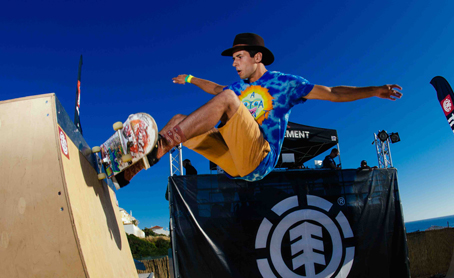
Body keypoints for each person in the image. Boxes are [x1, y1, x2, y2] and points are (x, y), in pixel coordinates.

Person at [117, 33, 401, 186]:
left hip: (259, 159)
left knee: (227, 99)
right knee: (179, 119)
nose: (234, 63)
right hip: (232, 161)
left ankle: (162, 143)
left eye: (239, 57)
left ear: (257, 57)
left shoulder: (285, 84)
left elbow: (332, 93)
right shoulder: (236, 88)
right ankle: (130, 170)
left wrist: (374, 90)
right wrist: (191, 79)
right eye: (233, 59)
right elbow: (214, 89)